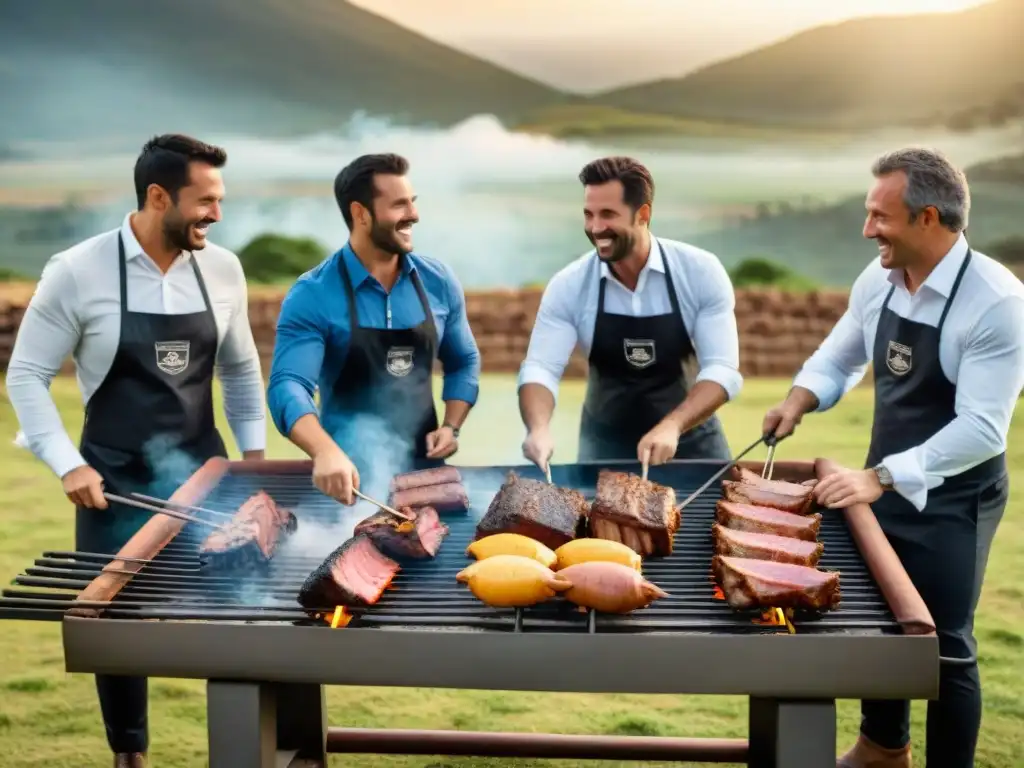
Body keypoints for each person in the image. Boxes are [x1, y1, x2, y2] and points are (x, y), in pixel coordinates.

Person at [5, 134, 267, 767]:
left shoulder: (223, 268)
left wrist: (255, 461)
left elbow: (240, 372)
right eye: (205, 201)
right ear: (158, 196)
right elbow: (26, 376)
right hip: (112, 481)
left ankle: (247, 749)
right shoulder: (77, 270)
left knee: (245, 616)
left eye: (220, 200)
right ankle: (131, 757)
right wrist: (69, 463)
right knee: (115, 633)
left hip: (206, 481)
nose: (217, 215)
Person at [762, 147, 1024, 768]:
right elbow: (839, 356)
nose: (867, 229)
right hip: (878, 481)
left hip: (956, 496)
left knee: (944, 643)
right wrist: (798, 400)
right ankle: (883, 749)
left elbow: (984, 430)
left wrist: (879, 477)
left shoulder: (996, 302)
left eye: (880, 216)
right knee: (882, 624)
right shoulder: (877, 279)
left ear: (928, 218)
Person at [266, 153, 480, 504]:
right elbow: (287, 385)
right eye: (399, 205)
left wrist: (451, 425)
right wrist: (324, 451)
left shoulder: (438, 281)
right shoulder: (313, 294)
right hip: (347, 483)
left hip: (428, 482)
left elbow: (463, 360)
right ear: (360, 214)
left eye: (412, 202)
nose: (414, 215)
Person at [518, 156, 742, 471]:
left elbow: (722, 370)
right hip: (603, 451)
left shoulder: (699, 271)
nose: (596, 228)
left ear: (643, 214)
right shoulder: (569, 285)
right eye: (588, 214)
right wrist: (538, 428)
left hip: (692, 444)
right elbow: (541, 368)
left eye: (608, 214)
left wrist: (673, 425)